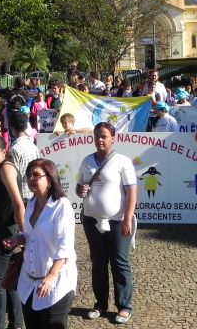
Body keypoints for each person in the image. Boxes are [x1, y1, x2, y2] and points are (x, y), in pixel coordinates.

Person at [3, 159, 77, 329]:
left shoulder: (61, 206)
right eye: (29, 175)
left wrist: (51, 276)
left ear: (50, 179)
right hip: (29, 282)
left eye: (36, 175)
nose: (31, 179)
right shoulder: (31, 203)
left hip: (56, 282)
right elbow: (30, 235)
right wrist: (18, 239)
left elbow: (65, 247)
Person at [77, 123, 137, 324]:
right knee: (98, 262)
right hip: (91, 220)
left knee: (119, 262)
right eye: (97, 136)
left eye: (104, 136)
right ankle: (100, 304)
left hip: (118, 221)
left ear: (113, 138)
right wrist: (80, 190)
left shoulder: (122, 161)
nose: (100, 140)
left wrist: (127, 219)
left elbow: (132, 192)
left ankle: (124, 306)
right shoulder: (87, 161)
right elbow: (79, 186)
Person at [0, 135, 25, 329]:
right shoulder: (1, 168)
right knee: (9, 279)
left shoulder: (6, 168)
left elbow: (18, 204)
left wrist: (24, 235)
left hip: (6, 232)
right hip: (2, 230)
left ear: (3, 151)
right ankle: (16, 323)